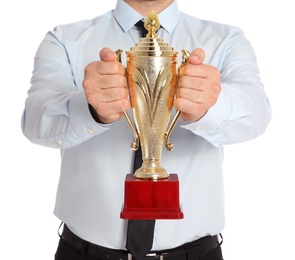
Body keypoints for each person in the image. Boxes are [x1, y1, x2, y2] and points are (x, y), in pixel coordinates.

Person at [21, 0, 272, 259]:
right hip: (83, 252)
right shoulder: (64, 38)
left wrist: (209, 106)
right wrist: (91, 110)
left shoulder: (227, 39)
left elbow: (258, 115)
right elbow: (35, 123)